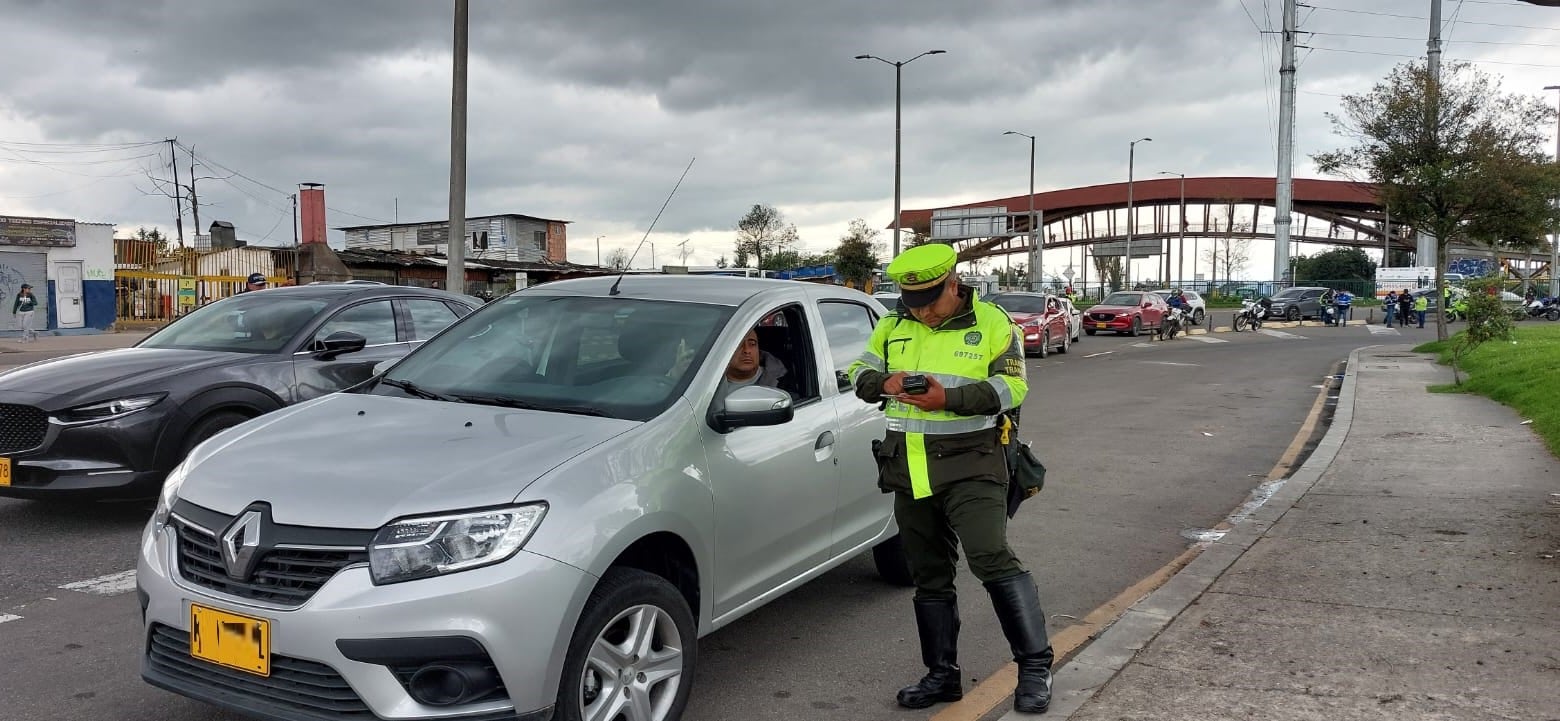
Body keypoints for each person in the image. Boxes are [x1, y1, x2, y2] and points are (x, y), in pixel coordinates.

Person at [845, 243, 1053, 715]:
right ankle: (942, 676)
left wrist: (948, 399)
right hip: (908, 466)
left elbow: (1012, 386)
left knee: (990, 556)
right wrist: (886, 384)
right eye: (911, 301)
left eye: (930, 299)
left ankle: (1035, 667)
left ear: (953, 284)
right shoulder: (892, 324)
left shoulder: (992, 322)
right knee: (929, 574)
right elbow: (857, 371)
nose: (921, 310)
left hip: (973, 463)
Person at [715, 327, 788, 404]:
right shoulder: (710, 384)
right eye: (738, 344)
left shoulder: (782, 384)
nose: (747, 350)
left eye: (752, 344)